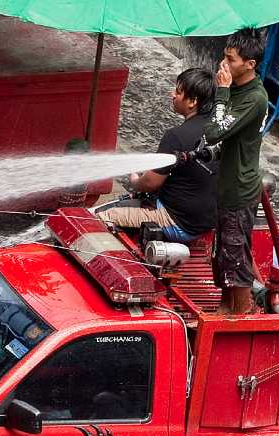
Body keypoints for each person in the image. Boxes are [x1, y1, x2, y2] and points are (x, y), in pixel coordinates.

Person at [98, 67, 215, 242]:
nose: (172, 95)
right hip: (208, 220)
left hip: (178, 222)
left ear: (192, 102)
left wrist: (135, 180)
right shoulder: (219, 130)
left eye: (178, 91)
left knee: (101, 217)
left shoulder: (176, 136)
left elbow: (150, 183)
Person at [205, 29, 267, 316]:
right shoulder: (238, 90)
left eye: (230, 59)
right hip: (226, 185)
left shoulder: (254, 98)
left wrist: (221, 92)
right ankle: (225, 309)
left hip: (240, 189)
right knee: (224, 255)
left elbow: (215, 132)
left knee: (236, 255)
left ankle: (242, 312)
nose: (223, 64)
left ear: (250, 64)